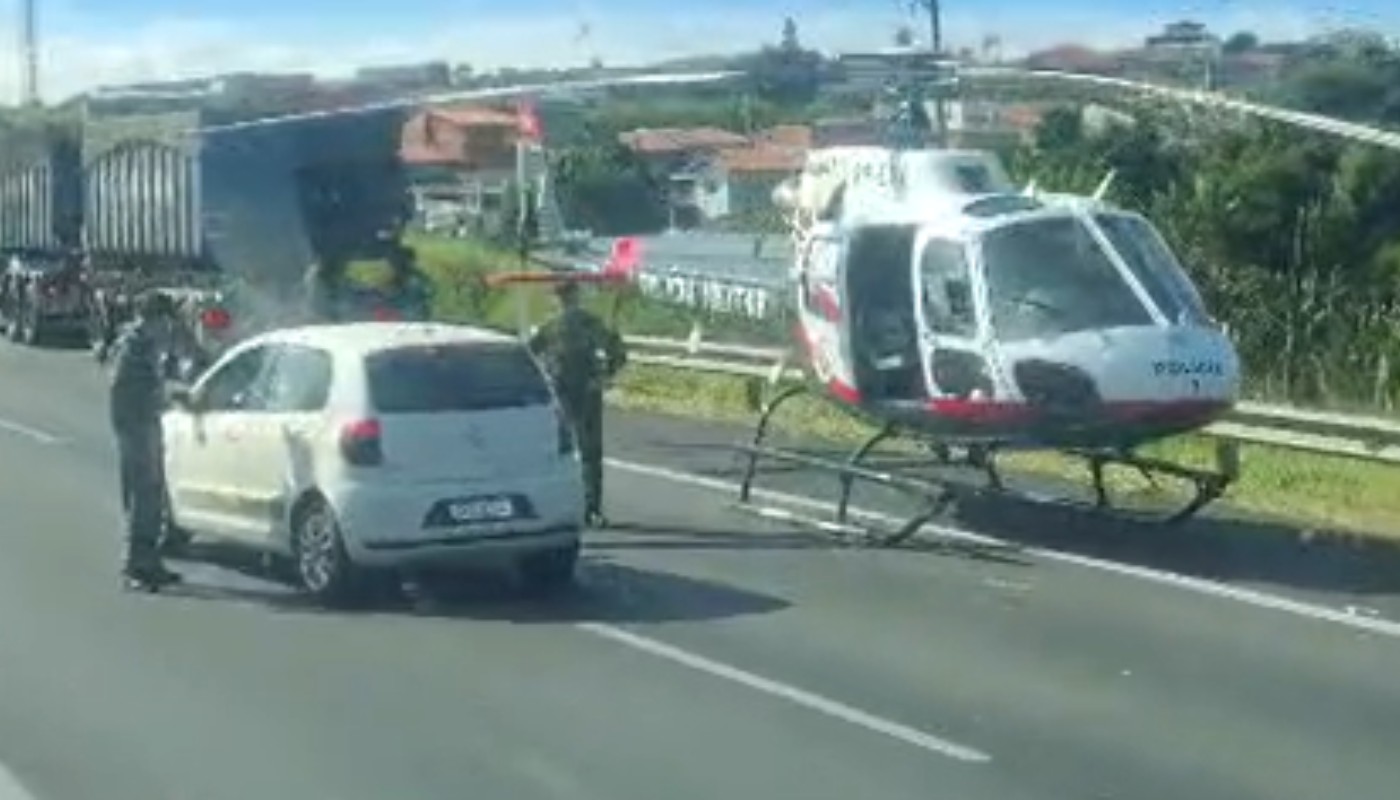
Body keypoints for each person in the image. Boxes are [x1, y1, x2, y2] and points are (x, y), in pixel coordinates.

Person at [528, 280, 627, 528]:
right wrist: (605, 374)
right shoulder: (570, 325)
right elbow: (618, 352)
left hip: (572, 391)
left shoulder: (556, 326)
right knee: (582, 453)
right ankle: (587, 507)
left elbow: (529, 355)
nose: (563, 301)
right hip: (570, 391)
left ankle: (586, 507)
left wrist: (603, 374)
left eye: (562, 296)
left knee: (576, 452)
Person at [106, 290, 182, 590]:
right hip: (136, 427)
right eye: (164, 319)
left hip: (144, 425)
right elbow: (126, 391)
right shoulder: (134, 347)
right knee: (141, 495)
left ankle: (149, 560)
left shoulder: (146, 344)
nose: (168, 327)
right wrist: (160, 402)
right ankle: (134, 567)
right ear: (153, 318)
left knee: (152, 494)